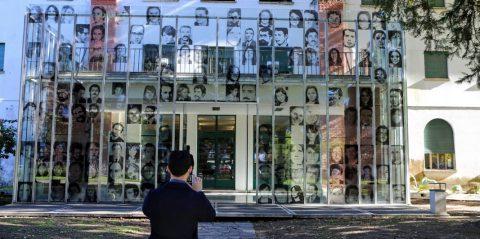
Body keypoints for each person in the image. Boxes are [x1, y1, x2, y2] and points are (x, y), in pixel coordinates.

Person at [143, 150, 215, 239]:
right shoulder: (195, 198)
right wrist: (198, 192)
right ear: (190, 169)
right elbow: (210, 216)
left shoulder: (153, 195)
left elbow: (146, 211)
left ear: (168, 168)